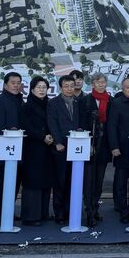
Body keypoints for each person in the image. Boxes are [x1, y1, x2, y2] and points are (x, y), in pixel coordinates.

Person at [0, 72, 24, 225]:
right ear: (5, 85)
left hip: (19, 149)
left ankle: (8, 211)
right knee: (3, 184)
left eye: (18, 83)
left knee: (15, 184)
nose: (16, 85)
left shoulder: (20, 100)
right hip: (5, 150)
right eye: (13, 83)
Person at [79, 73, 112, 227]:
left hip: (104, 146)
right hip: (90, 145)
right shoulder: (85, 100)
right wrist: (88, 143)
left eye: (103, 82)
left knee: (99, 181)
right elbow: (81, 123)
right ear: (92, 84)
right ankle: (89, 212)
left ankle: (95, 208)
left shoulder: (111, 101)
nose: (101, 85)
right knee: (89, 181)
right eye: (98, 82)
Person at [107, 77, 129, 224]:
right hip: (122, 149)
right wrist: (114, 147)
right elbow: (111, 126)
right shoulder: (116, 103)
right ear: (123, 89)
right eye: (128, 87)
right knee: (121, 183)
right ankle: (123, 210)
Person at [20, 76, 53, 226]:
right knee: (33, 182)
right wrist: (42, 137)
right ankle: (30, 217)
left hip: (48, 147)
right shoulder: (27, 106)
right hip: (33, 148)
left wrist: (51, 136)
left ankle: (43, 213)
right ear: (32, 89)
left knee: (46, 181)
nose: (42, 90)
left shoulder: (49, 104)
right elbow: (26, 126)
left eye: (44, 87)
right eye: (39, 87)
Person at [48, 75, 81, 225]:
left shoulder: (80, 102)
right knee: (60, 181)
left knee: (73, 181)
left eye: (71, 86)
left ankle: (71, 211)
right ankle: (59, 213)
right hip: (61, 147)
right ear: (61, 87)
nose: (69, 89)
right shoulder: (53, 103)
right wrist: (58, 142)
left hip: (77, 147)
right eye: (66, 86)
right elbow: (52, 123)